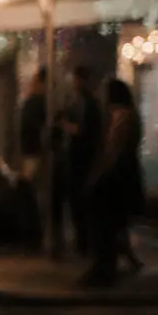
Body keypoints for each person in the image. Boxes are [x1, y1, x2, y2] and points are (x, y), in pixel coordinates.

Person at [82, 78, 145, 287]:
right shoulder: (126, 115)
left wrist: (97, 175)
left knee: (104, 223)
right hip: (121, 175)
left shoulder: (121, 117)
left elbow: (113, 151)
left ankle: (103, 269)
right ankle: (109, 265)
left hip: (115, 178)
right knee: (113, 224)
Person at [62, 66, 102, 255]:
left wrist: (64, 124)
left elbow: (82, 131)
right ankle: (84, 241)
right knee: (79, 202)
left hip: (81, 158)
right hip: (82, 158)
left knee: (80, 202)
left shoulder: (86, 103)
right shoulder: (84, 101)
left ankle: (84, 243)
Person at [18, 68, 48, 252]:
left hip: (35, 154)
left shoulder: (38, 102)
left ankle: (34, 238)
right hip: (31, 153)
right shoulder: (37, 102)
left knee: (34, 195)